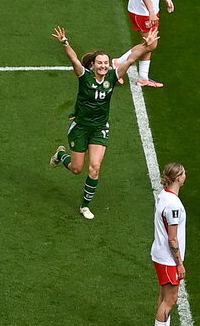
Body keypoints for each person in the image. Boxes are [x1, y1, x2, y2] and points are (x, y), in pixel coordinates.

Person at [49, 26, 158, 220]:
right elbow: (74, 59)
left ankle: (84, 206)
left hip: (99, 128)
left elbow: (132, 57)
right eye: (100, 63)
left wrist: (145, 45)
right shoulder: (85, 77)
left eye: (106, 63)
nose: (103, 66)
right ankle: (61, 154)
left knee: (95, 167)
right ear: (93, 64)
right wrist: (65, 42)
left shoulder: (112, 77)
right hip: (81, 128)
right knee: (76, 169)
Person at [149, 163, 190, 326]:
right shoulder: (173, 205)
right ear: (178, 178)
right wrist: (179, 263)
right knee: (170, 299)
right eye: (183, 173)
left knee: (164, 296)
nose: (185, 175)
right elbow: (172, 238)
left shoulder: (163, 195)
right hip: (168, 259)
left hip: (160, 254)